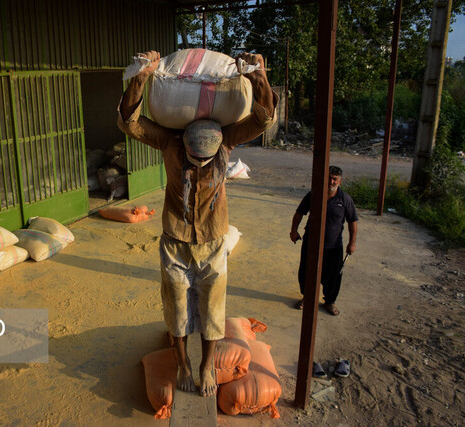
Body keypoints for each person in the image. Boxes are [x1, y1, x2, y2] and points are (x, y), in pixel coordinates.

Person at [117, 50, 277, 397]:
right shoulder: (169, 141)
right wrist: (142, 78)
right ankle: (183, 364)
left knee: (212, 307)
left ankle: (205, 364)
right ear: (184, 144)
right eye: (195, 158)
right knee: (175, 307)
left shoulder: (229, 140)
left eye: (208, 159)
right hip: (175, 241)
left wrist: (258, 76)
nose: (201, 164)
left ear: (220, 144)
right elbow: (128, 122)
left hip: (213, 241)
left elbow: (263, 120)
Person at [290, 165, 358, 316]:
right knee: (306, 272)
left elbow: (352, 222)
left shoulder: (345, 199)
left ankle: (329, 302)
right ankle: (307, 298)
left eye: (335, 179)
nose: (331, 182)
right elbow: (299, 213)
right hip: (311, 243)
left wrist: (352, 243)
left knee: (333, 276)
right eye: (329, 178)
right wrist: (294, 231)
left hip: (333, 246)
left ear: (339, 181)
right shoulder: (313, 195)